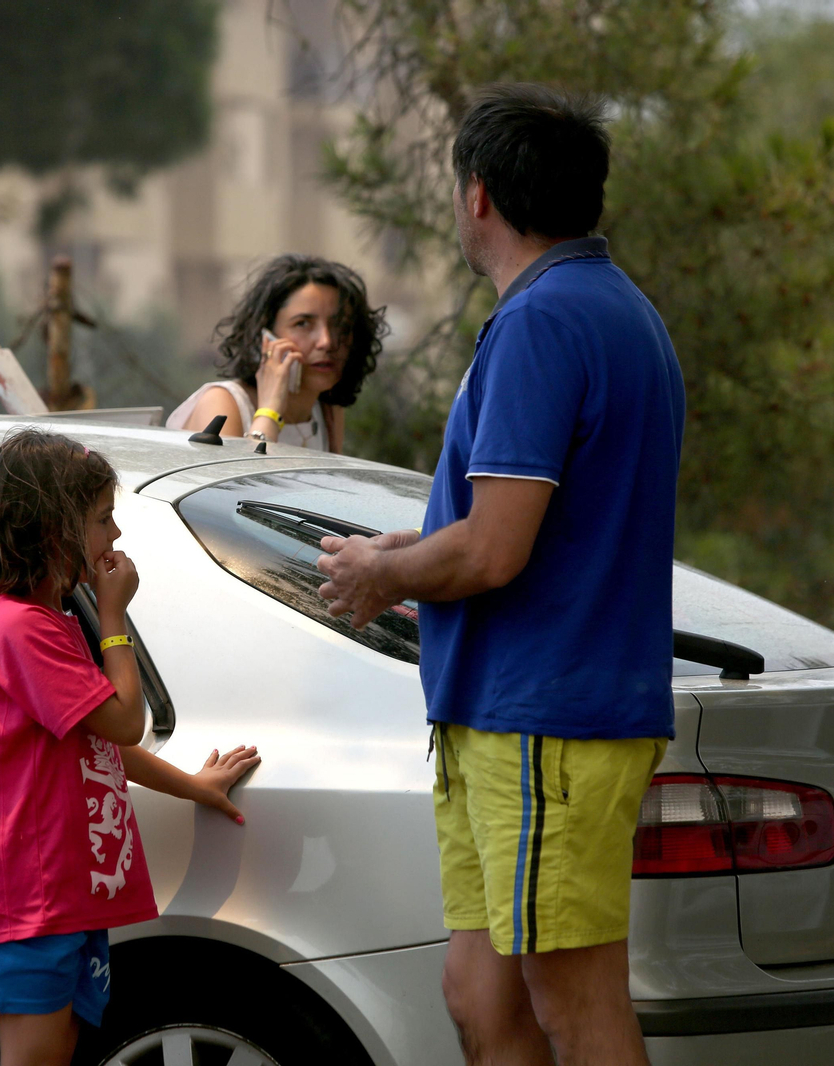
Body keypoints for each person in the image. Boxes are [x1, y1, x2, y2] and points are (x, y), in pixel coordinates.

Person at [316, 84, 684, 1066]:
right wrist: (391, 556)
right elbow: (512, 529)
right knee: (480, 993)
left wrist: (378, 575)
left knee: (575, 1003)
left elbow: (491, 549)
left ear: (477, 195)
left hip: (544, 720)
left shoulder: (545, 321)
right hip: (515, 714)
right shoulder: (611, 309)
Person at [0, 430, 260, 1066]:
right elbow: (123, 722)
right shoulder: (19, 628)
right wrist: (113, 617)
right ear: (53, 528)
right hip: (27, 897)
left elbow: (96, 744)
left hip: (59, 891)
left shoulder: (47, 620)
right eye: (101, 519)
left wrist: (191, 785)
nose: (114, 535)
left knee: (58, 1049)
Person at [166, 255, 387, 453]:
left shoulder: (328, 409)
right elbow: (235, 493)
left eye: (341, 326)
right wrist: (269, 412)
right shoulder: (223, 403)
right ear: (265, 336)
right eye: (303, 324)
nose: (326, 342)